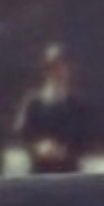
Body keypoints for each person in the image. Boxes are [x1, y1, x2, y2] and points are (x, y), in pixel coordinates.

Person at [13, 43, 91, 175]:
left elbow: (88, 138)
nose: (57, 72)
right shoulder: (33, 103)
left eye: (61, 66)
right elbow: (22, 135)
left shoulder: (79, 105)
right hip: (39, 174)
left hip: (69, 174)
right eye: (52, 67)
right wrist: (38, 148)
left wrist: (64, 151)